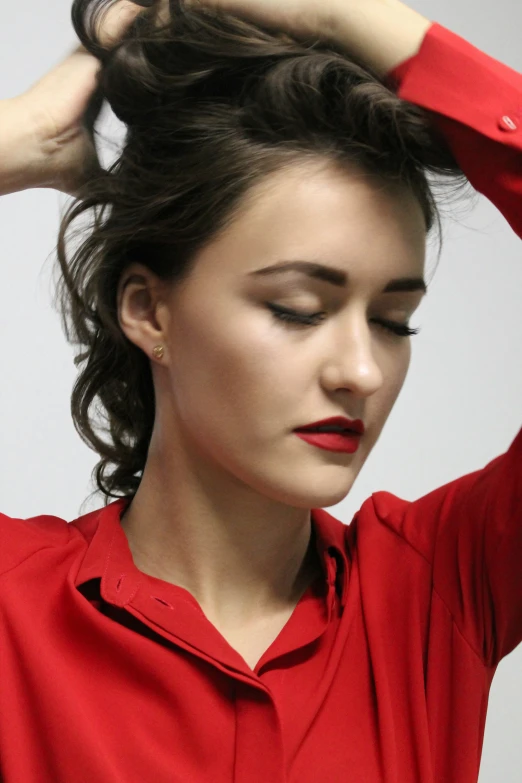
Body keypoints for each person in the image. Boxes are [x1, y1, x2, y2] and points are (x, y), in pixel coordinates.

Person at [0, 0, 520, 780]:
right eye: (298, 309)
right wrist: (23, 137)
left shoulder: (438, 591)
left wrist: (338, 16)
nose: (362, 370)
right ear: (149, 310)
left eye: (393, 320)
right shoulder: (12, 611)